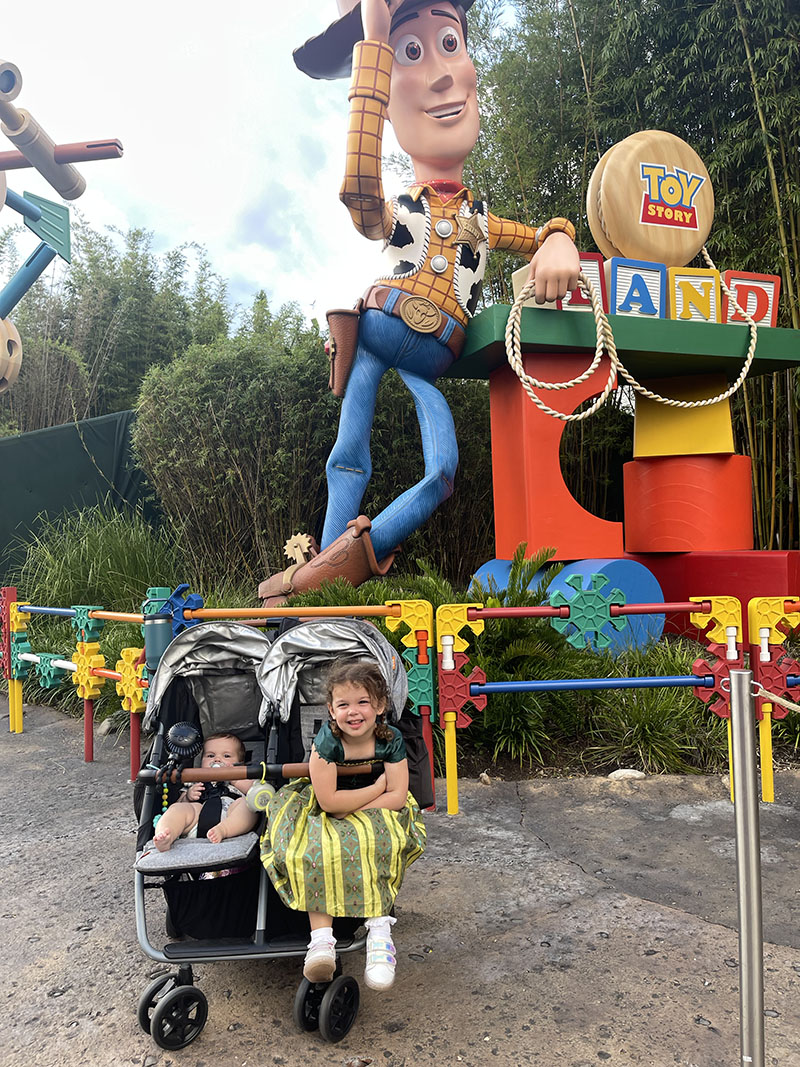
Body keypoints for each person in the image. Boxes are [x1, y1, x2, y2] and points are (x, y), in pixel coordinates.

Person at [259, 0, 580, 603]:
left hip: (434, 353)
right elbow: (357, 191)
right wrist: (375, 46)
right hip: (381, 326)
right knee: (347, 458)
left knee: (442, 472)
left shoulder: (482, 219)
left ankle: (328, 572)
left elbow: (540, 235)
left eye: (449, 44)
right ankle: (321, 597)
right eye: (414, 51)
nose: (437, 73)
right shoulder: (400, 207)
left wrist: (559, 236)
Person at [261, 659, 426, 990]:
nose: (354, 712)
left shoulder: (390, 738)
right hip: (325, 804)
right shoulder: (327, 741)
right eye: (344, 704)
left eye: (363, 702)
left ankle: (379, 929)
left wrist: (368, 801)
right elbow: (330, 805)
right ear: (331, 709)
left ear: (380, 705)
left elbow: (397, 798)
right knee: (312, 847)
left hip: (375, 805)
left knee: (381, 838)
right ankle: (321, 941)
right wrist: (378, 787)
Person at [153, 732, 259, 852]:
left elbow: (255, 791)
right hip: (196, 820)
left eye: (227, 756)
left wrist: (235, 779)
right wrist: (187, 796)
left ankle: (223, 830)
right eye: (210, 756)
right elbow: (179, 802)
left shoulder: (241, 778)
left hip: (230, 818)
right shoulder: (195, 778)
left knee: (248, 805)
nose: (217, 760)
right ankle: (166, 835)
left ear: (241, 764)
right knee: (177, 808)